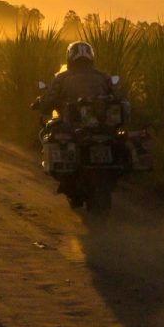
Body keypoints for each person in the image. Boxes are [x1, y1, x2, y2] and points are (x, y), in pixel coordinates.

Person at [32, 41, 117, 208]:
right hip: (103, 128)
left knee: (50, 135)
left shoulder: (62, 78)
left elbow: (49, 101)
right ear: (91, 56)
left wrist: (40, 104)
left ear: (70, 57)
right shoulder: (104, 77)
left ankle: (68, 181)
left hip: (73, 128)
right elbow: (117, 97)